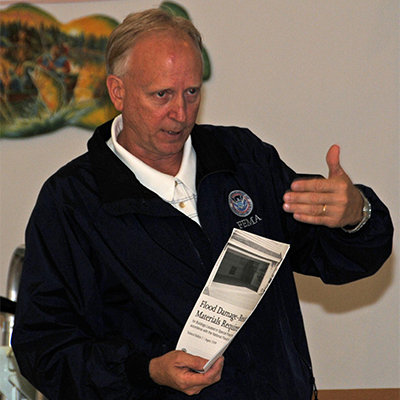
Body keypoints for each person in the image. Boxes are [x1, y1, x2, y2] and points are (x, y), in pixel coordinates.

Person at [12, 8, 393, 400]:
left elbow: (340, 258)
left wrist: (357, 216)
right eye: (162, 95)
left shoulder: (244, 159)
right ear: (117, 91)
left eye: (192, 92)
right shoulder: (73, 201)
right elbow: (43, 349)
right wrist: (145, 371)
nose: (181, 113)